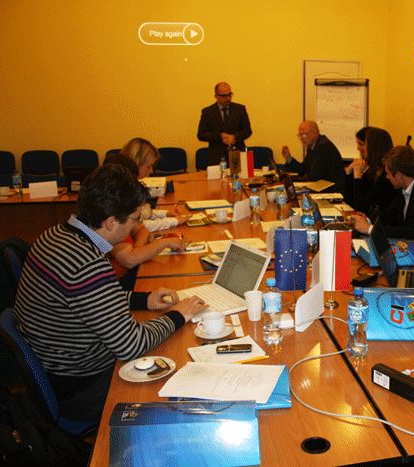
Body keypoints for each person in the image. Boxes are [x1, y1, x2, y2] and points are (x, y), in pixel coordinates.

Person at [13, 164, 207, 423]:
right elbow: (131, 345)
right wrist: (177, 315)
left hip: (58, 369)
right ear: (111, 222)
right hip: (82, 387)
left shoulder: (56, 235)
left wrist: (144, 299)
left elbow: (91, 301)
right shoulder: (87, 263)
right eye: (135, 218)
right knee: (184, 364)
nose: (137, 225)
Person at [105, 140, 188, 289]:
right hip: (118, 284)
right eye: (148, 166)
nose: (151, 171)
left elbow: (142, 229)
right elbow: (130, 259)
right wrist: (162, 243)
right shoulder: (112, 205)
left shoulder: (125, 199)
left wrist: (138, 250)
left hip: (129, 272)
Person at [280, 120, 347, 196]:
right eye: (300, 135)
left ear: (315, 133)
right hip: (321, 188)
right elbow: (304, 169)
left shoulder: (324, 147)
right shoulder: (312, 146)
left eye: (304, 135)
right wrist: (289, 158)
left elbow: (313, 176)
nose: (301, 138)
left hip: (332, 193)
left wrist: (294, 181)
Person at [197, 82, 252, 166]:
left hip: (237, 155)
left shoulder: (240, 109)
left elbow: (247, 130)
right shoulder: (208, 112)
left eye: (230, 94)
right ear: (216, 96)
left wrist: (234, 137)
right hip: (217, 157)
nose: (228, 98)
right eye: (224, 96)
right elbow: (201, 135)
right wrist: (220, 136)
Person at [350, 127, 400, 213]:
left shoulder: (387, 176)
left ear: (374, 147)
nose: (358, 148)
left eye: (363, 144)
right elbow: (350, 200)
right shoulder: (372, 170)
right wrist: (349, 171)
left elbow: (361, 207)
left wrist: (357, 176)